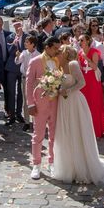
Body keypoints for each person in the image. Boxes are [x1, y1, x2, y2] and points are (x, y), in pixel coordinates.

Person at [51, 46, 104, 184]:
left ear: (66, 53)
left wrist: (68, 91)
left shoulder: (72, 64)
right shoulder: (59, 66)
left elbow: (81, 83)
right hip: (64, 104)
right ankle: (68, 166)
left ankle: (81, 166)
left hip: (74, 101)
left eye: (60, 51)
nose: (57, 53)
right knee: (66, 132)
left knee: (76, 131)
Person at [26, 36, 61, 179]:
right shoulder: (35, 61)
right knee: (38, 134)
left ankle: (52, 162)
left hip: (55, 102)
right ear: (47, 47)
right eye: (55, 48)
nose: (58, 51)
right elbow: (28, 84)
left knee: (54, 135)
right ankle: (36, 164)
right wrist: (30, 104)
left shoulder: (58, 61)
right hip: (40, 103)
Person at [78, 34, 104, 138]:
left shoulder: (94, 52)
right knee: (84, 105)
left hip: (92, 80)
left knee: (93, 104)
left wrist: (87, 59)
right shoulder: (79, 52)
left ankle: (96, 130)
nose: (80, 42)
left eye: (82, 40)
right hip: (83, 81)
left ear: (88, 41)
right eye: (79, 40)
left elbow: (95, 67)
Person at [15, 35, 40, 132]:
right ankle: (26, 122)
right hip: (25, 78)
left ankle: (35, 122)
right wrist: (17, 56)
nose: (25, 44)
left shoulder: (38, 55)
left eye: (27, 42)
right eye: (25, 42)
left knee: (35, 100)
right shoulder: (24, 53)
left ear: (33, 44)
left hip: (34, 80)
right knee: (26, 101)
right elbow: (18, 62)